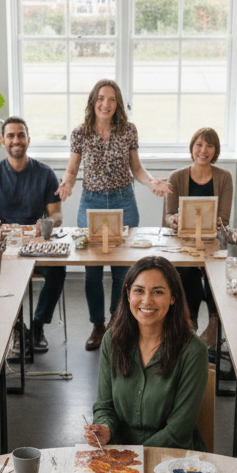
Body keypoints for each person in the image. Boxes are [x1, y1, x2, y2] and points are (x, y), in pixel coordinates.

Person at [56, 80, 171, 350]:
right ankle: (98, 325)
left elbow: (137, 168)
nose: (105, 104)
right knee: (92, 271)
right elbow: (72, 169)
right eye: (100, 98)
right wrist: (67, 184)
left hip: (124, 202)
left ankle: (117, 323)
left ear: (117, 103)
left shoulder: (128, 131)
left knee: (123, 271)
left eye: (111, 99)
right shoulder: (80, 133)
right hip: (91, 203)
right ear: (93, 102)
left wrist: (151, 182)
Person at [86, 256, 209, 452]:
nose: (147, 300)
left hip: (171, 457)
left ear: (173, 297)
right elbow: (104, 406)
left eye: (158, 292)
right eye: (139, 290)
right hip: (120, 454)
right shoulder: (112, 339)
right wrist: (105, 428)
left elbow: (178, 431)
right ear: (128, 294)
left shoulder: (193, 351)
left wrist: (133, 456)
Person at [0, 116, 65, 352]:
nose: (16, 140)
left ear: (28, 139)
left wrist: (46, 223)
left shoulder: (45, 173)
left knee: (58, 270)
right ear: (2, 141)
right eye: (11, 136)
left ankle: (37, 326)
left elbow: (57, 214)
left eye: (21, 135)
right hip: (4, 245)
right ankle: (16, 327)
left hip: (37, 243)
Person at [163, 125, 234, 346]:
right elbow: (168, 216)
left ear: (216, 150)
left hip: (212, 240)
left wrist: (205, 223)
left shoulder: (224, 177)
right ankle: (188, 319)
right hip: (184, 241)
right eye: (199, 144)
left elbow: (224, 219)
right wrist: (174, 220)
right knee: (186, 269)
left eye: (209, 146)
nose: (204, 150)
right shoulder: (176, 177)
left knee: (215, 269)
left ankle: (214, 322)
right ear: (192, 148)